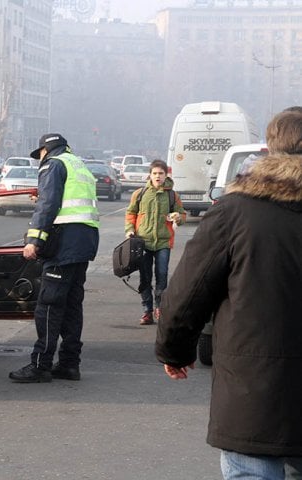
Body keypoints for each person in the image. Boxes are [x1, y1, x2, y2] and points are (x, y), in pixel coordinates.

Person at [155, 109, 302, 479]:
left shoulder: (236, 212)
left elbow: (188, 292)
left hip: (254, 394)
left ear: (269, 149)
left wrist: (175, 351)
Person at [9, 133, 99, 383]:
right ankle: (70, 364)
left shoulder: (53, 163)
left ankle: (40, 365)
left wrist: (34, 241)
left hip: (63, 244)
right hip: (83, 242)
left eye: (38, 155)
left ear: (45, 150)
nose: (39, 159)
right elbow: (70, 203)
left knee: (49, 306)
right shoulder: (77, 163)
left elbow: (48, 205)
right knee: (72, 306)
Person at [124, 159, 186, 325]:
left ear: (166, 175)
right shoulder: (140, 193)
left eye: (161, 173)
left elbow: (182, 214)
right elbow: (131, 213)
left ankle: (160, 308)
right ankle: (147, 311)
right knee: (145, 278)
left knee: (162, 276)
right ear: (150, 175)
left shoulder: (172, 195)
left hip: (163, 243)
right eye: (155, 173)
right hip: (142, 242)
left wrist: (178, 218)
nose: (158, 176)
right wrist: (129, 230)